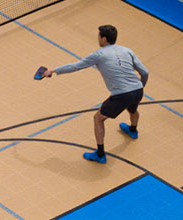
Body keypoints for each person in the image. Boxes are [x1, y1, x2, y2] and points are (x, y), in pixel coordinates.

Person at [36, 24, 149, 163]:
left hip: (122, 94)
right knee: (132, 109)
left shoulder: (98, 55)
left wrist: (53, 71)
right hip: (137, 89)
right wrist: (139, 87)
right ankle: (133, 130)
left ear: (104, 39)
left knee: (98, 118)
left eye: (99, 35)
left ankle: (100, 155)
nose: (97, 38)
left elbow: (75, 67)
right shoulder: (127, 50)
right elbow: (144, 72)